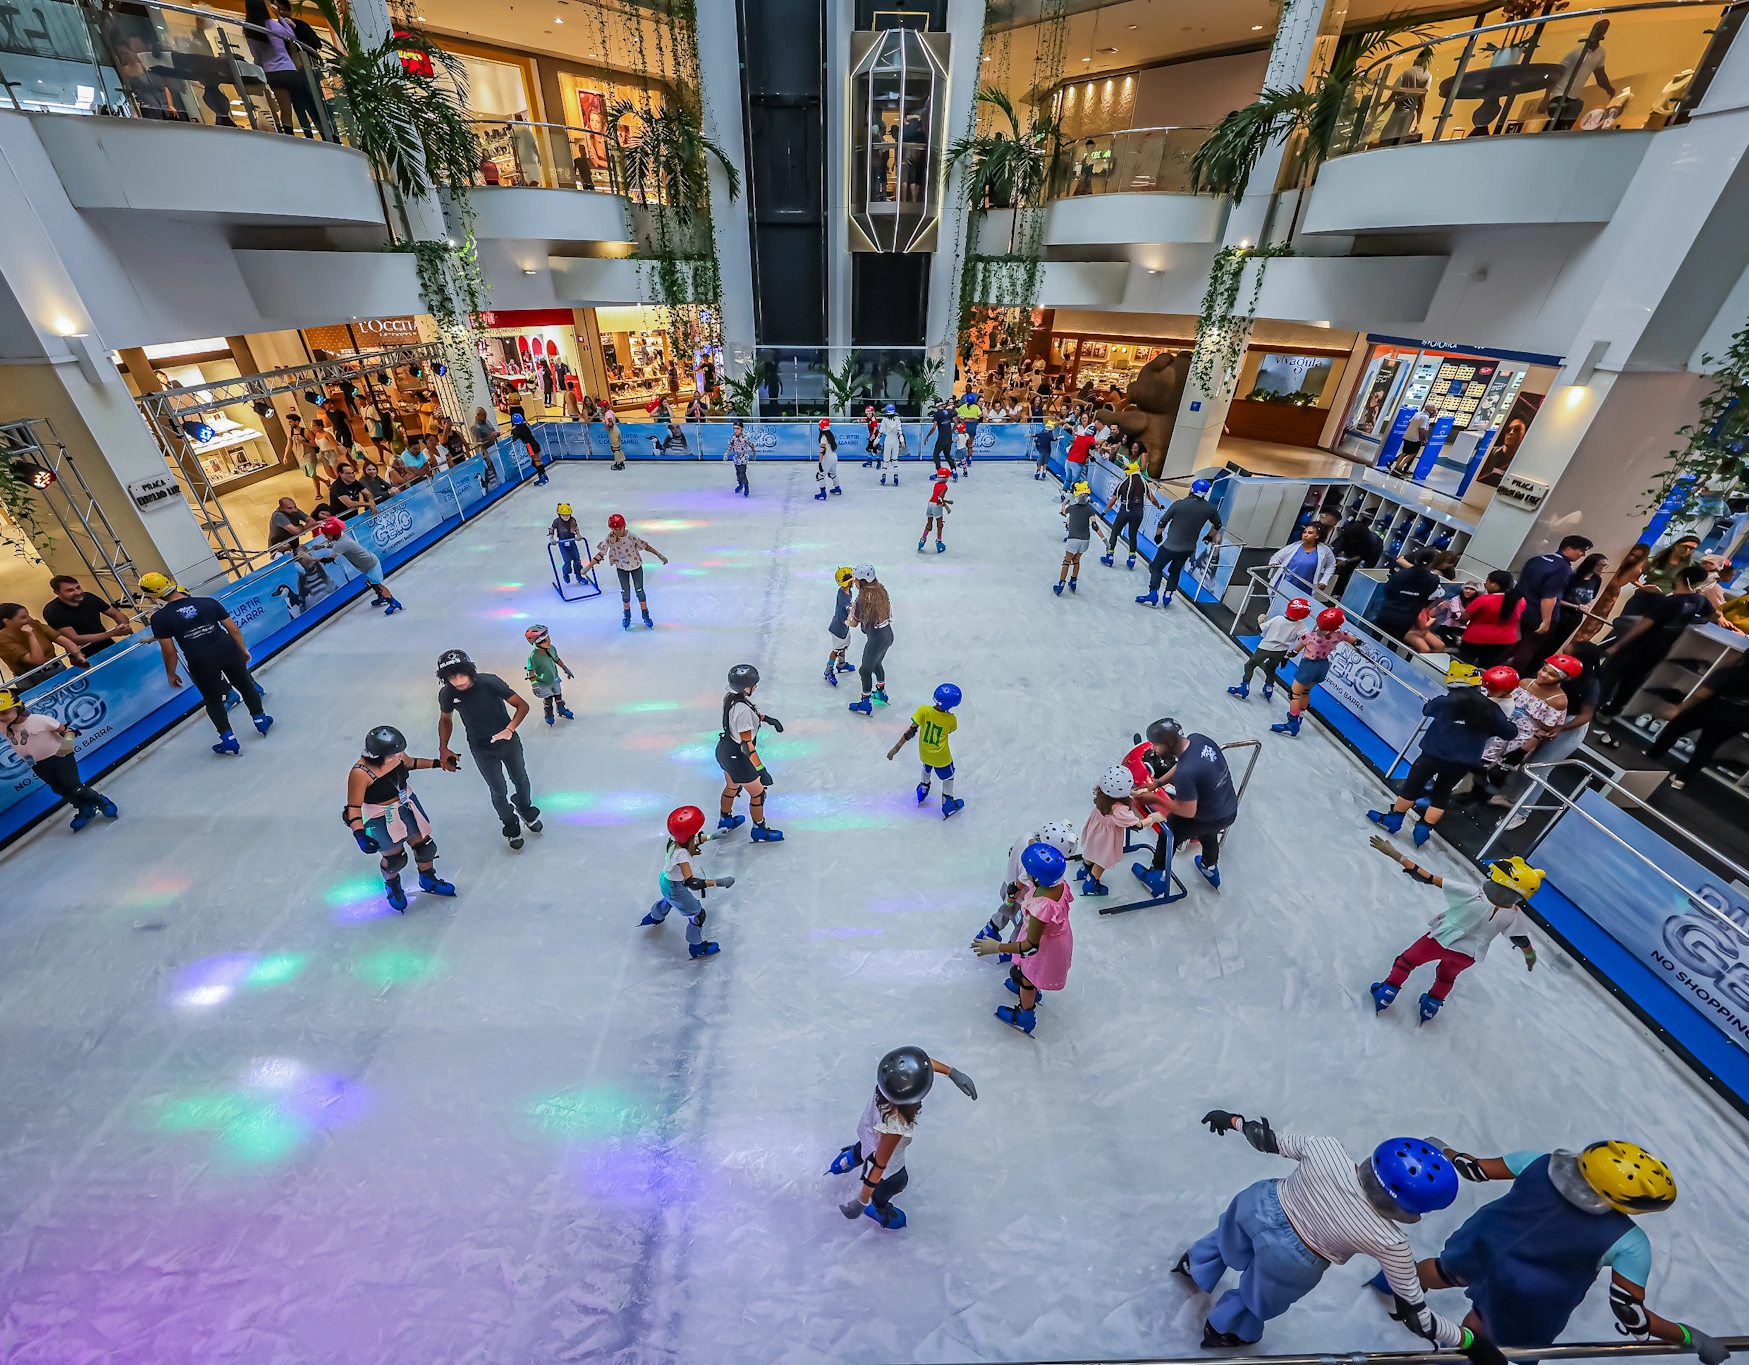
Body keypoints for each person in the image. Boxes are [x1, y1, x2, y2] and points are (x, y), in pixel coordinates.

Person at [1405, 1137, 1728, 1365]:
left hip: (1479, 1244)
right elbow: (1633, 1315)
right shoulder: (1631, 1242)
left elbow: (1473, 1168)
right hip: (1524, 1293)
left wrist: (1442, 1150)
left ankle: (1391, 1285)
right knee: (1479, 1336)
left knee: (1439, 1270)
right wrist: (1692, 1337)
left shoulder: (1538, 1161)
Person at [1184, 1115, 1479, 1354]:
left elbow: (1266, 1138)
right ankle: (1224, 1329)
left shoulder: (1327, 1150)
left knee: (1227, 1238)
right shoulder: (1391, 1242)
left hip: (1258, 1204)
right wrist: (1467, 1339)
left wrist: (1233, 1121)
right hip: (1293, 1259)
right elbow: (1418, 1317)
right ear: (1412, 1212)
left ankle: (1195, 1264)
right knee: (1257, 1298)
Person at [1366, 845, 1539, 1022]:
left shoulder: (1474, 893)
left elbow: (1429, 878)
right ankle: (1430, 1008)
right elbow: (1520, 940)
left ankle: (1387, 992)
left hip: (1441, 940)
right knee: (1446, 977)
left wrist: (1398, 856)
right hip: (1469, 954)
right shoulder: (1515, 914)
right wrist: (1530, 956)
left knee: (1406, 962)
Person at [827, 1046, 977, 1229]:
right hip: (886, 1160)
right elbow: (880, 1163)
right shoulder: (896, 1125)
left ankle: (850, 1158)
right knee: (897, 1181)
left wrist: (952, 1073)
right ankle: (876, 1206)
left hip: (868, 1133)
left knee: (864, 1146)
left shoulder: (887, 1083)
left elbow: (920, 1064)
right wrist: (863, 1199)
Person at [1367, 670, 1519, 846]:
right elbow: (1510, 732)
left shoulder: (1446, 701)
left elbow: (1427, 710)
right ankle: (1423, 830)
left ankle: (1394, 819)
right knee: (1442, 794)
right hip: (1462, 762)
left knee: (1412, 787)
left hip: (1433, 755)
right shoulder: (1492, 709)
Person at [141, 573, 270, 755]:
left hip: (200, 659)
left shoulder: (160, 618)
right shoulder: (208, 602)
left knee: (212, 699)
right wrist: (242, 648)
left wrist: (171, 673)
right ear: (172, 583)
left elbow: (169, 651)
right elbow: (232, 629)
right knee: (244, 684)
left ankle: (228, 739)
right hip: (228, 649)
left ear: (153, 594)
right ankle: (260, 719)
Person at [434, 648, 541, 850]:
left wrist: (509, 730)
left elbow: (522, 705)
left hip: (508, 742)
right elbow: (445, 719)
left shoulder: (489, 682)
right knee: (498, 790)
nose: (457, 681)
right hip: (481, 747)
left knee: (520, 778)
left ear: (469, 670)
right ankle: (510, 825)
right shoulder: (448, 694)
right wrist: (443, 748)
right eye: (451, 677)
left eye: (460, 674)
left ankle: (525, 808)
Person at [344, 725, 456, 913]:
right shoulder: (360, 773)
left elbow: (410, 762)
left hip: (406, 804)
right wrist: (360, 834)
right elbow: (353, 807)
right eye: (392, 754)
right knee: (394, 859)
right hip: (380, 815)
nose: (397, 757)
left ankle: (428, 878)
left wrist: (439, 763)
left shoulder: (396, 755)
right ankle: (392, 885)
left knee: (425, 847)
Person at [969, 841, 1072, 1034]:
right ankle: (1031, 990)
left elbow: (1030, 946)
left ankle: (1025, 1015)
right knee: (1025, 974)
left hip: (1044, 947)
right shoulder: (1059, 883)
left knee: (1024, 976)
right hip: (1055, 938)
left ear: (1038, 878)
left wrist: (997, 947)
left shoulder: (1041, 908)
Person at [1596, 565, 1716, 722]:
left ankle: (1592, 707)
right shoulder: (1700, 600)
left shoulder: (1669, 602)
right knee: (1631, 682)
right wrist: (1691, 620)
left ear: (1680, 576)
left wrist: (1617, 646)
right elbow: (1713, 616)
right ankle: (1609, 713)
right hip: (1660, 650)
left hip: (1638, 646)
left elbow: (1643, 627)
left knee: (1610, 675)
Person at [1131, 718, 1238, 893]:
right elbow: (1182, 764)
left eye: (1156, 745)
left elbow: (1188, 811)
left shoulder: (1186, 774)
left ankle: (1157, 878)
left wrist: (1155, 799)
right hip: (1227, 809)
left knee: (1169, 833)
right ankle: (1209, 867)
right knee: (1208, 830)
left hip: (1205, 813)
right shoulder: (1198, 740)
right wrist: (1157, 783)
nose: (1152, 749)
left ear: (1169, 743)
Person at [0, 689, 116, 830]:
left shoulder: (40, 720)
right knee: (59, 789)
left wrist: (67, 745)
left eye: (4, 712)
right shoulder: (3, 725)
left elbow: (67, 731)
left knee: (74, 787)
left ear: (18, 707)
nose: (1, 717)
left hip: (60, 757)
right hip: (37, 763)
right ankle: (85, 807)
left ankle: (101, 801)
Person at [641, 804, 735, 958]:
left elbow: (692, 840)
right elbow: (692, 882)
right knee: (697, 916)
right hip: (675, 888)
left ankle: (655, 915)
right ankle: (697, 947)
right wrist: (718, 882)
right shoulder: (682, 855)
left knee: (668, 899)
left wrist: (712, 836)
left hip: (665, 880)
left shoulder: (673, 841)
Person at [1648, 652, 1749, 788]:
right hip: (1738, 718)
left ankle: (1650, 757)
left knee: (1676, 727)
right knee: (1708, 746)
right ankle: (1681, 780)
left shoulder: (1729, 672)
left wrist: (1679, 709)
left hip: (1711, 709)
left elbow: (1702, 694)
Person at [714, 663, 784, 842]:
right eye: (754, 684)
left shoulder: (731, 698)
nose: (756, 686)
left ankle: (725, 819)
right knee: (758, 793)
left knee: (732, 786)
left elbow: (742, 718)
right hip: (739, 757)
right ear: (746, 687)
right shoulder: (743, 710)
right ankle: (759, 829)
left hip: (725, 750)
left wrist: (766, 719)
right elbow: (747, 745)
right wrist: (761, 770)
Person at [1078, 763, 1167, 897]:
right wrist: (1152, 818)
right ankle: (1091, 883)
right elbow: (1136, 825)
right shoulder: (1119, 810)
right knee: (1102, 860)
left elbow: (1113, 792)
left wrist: (1132, 793)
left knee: (1092, 850)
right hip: (1106, 837)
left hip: (1096, 828)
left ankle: (1083, 870)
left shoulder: (1102, 792)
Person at [1509, 534, 1595, 669]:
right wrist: (1546, 621)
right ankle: (1510, 675)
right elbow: (1549, 597)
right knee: (1528, 648)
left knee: (1515, 642)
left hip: (1521, 608)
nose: (1583, 555)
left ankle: (1491, 666)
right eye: (1581, 550)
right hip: (1538, 614)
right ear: (1569, 549)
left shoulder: (1536, 560)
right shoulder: (1563, 568)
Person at [1271, 607, 1358, 739]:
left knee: (1295, 694)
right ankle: (1300, 717)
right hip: (1323, 665)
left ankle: (1292, 723)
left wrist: (1286, 657)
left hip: (1308, 666)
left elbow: (1295, 651)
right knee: (1306, 691)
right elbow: (1354, 640)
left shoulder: (1309, 637)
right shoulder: (1339, 635)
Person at [1138, 478, 1222, 609]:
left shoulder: (1179, 504)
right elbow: (1217, 524)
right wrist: (1209, 537)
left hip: (1170, 546)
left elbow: (1162, 523)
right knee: (1175, 570)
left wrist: (1158, 535)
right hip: (1188, 548)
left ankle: (1153, 593)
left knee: (1156, 567)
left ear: (1191, 489)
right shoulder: (1209, 509)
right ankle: (1168, 595)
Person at [890, 682, 963, 819]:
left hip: (924, 753)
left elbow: (910, 731)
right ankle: (947, 803)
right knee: (948, 777)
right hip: (941, 757)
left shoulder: (923, 710)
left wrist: (896, 748)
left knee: (926, 766)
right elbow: (950, 730)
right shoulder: (951, 719)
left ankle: (923, 788)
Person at [589, 513, 669, 631]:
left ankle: (645, 614)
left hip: (635, 566)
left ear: (624, 526)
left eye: (619, 528)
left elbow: (644, 545)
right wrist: (589, 566)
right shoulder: (610, 538)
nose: (617, 531)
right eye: (615, 529)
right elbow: (602, 553)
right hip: (621, 568)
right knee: (625, 592)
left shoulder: (630, 536)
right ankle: (627, 615)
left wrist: (658, 554)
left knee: (639, 591)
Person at [309, 517, 403, 615]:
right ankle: (382, 597)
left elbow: (329, 559)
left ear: (334, 534)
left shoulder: (341, 543)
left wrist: (311, 559)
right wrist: (323, 546)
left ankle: (394, 602)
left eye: (326, 535)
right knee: (371, 583)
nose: (325, 538)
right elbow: (336, 546)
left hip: (370, 565)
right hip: (366, 564)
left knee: (377, 585)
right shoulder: (341, 537)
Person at [1229, 598, 1311, 702]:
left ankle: (1244, 686)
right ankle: (1269, 687)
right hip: (1281, 651)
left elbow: (1259, 629)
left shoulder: (1278, 619)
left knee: (1250, 665)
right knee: (1271, 669)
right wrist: (1294, 652)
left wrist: (1260, 621)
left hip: (1265, 647)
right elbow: (1305, 640)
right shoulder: (1301, 626)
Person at [42, 576, 133, 662]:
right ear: (57, 593)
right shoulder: (53, 611)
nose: (77, 592)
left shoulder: (89, 597)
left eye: (78, 587)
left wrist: (123, 625)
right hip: (82, 654)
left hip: (107, 644)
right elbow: (75, 639)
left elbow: (116, 614)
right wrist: (112, 633)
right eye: (70, 590)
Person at [1573, 543, 1650, 644]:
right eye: (1632, 554)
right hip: (1597, 589)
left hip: (1608, 595)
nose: (1632, 558)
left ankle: (1576, 644)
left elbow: (1616, 583)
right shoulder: (1614, 560)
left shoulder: (1635, 569)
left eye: (1636, 557)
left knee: (1592, 624)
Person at [1373, 548, 1448, 643]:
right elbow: (1428, 599)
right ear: (1433, 563)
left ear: (1416, 559)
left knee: (1374, 640)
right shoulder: (1433, 579)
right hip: (1407, 618)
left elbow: (1387, 590)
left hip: (1388, 613)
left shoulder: (1400, 574)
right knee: (1394, 644)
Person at [846, 564, 893, 717]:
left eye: (856, 579)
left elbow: (854, 622)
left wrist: (849, 617)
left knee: (865, 670)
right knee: (876, 664)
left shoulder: (862, 599)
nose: (854, 582)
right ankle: (880, 693)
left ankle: (865, 703)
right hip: (888, 635)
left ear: (863, 581)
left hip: (876, 639)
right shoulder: (881, 590)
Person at [1099, 460, 1161, 569]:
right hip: (1138, 513)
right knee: (1133, 535)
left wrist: (1104, 512)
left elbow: (1113, 500)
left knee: (1115, 532)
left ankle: (1109, 556)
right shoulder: (1143, 483)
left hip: (1125, 512)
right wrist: (1159, 506)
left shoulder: (1124, 483)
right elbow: (1152, 498)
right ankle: (1132, 559)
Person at [1549, 551, 1608, 648]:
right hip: (1560, 613)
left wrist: (1587, 606)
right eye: (1600, 565)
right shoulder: (1572, 576)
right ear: (1591, 564)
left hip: (1575, 618)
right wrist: (1576, 606)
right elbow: (1556, 598)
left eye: (1605, 566)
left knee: (1556, 645)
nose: (1602, 568)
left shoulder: (1597, 580)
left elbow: (1591, 597)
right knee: (1546, 641)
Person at [524, 624, 575, 726]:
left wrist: (565, 669)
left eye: (548, 638)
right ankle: (549, 714)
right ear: (537, 643)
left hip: (554, 678)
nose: (548, 642)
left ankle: (561, 709)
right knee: (548, 699)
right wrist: (534, 684)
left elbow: (556, 658)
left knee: (558, 694)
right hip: (544, 682)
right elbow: (531, 670)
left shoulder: (552, 648)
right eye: (544, 641)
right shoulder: (533, 657)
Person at [1266, 523, 1335, 596]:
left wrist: (1324, 581)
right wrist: (1274, 562)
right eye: (1304, 532)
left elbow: (1331, 565)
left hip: (1305, 587)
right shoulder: (1294, 546)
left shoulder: (1325, 550)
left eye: (1310, 533)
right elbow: (1277, 556)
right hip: (1285, 583)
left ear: (1317, 536)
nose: (1305, 535)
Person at [1329, 514, 1384, 599]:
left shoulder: (1372, 541)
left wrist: (1346, 561)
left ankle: (1346, 595)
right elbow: (1337, 546)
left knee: (1358, 574)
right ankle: (1335, 591)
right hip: (1354, 551)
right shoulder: (1348, 532)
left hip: (1370, 554)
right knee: (1341, 570)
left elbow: (1363, 556)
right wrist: (1335, 557)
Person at [1056, 482, 1094, 596]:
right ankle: (1073, 581)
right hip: (1085, 540)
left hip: (1073, 538)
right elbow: (1094, 524)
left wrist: (1063, 506)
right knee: (1076, 560)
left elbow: (1064, 512)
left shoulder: (1072, 508)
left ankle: (1061, 584)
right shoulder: (1090, 509)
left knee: (1067, 561)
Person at [823, 565, 857, 687]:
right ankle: (828, 670)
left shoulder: (845, 591)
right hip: (838, 629)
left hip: (843, 628)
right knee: (836, 650)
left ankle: (841, 664)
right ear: (848, 582)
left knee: (844, 646)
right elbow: (850, 612)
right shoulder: (844, 599)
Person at [1390, 402, 1438, 476]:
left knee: (1404, 453)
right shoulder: (1425, 417)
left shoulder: (1418, 414)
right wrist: (1424, 440)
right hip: (1414, 438)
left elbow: (1408, 423)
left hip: (1407, 436)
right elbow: (1422, 430)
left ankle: (1396, 467)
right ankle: (1399, 467)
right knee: (1412, 454)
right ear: (1431, 410)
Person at [548, 502, 586, 584]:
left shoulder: (572, 520)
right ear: (560, 514)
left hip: (572, 543)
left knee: (577, 560)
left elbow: (576, 528)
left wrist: (579, 535)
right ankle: (566, 573)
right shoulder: (557, 522)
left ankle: (579, 575)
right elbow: (552, 529)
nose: (566, 517)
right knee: (567, 561)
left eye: (567, 515)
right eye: (564, 515)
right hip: (563, 544)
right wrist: (551, 539)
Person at [919, 469, 951, 555]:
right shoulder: (945, 487)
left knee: (929, 524)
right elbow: (939, 498)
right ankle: (939, 542)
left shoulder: (936, 484)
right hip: (937, 506)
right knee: (939, 525)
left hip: (930, 504)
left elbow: (935, 496)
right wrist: (945, 506)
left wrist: (945, 501)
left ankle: (922, 540)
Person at [725, 419, 755, 496]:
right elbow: (730, 446)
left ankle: (746, 488)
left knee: (742, 473)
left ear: (741, 429)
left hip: (743, 458)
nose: (736, 430)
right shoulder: (733, 437)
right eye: (734, 429)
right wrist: (726, 453)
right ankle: (740, 484)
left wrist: (754, 452)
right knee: (738, 473)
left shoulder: (745, 438)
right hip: (736, 458)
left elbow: (751, 445)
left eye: (737, 429)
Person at [878, 404, 906, 485]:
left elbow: (881, 432)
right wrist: (902, 441)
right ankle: (896, 476)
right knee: (895, 459)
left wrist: (875, 442)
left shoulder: (884, 420)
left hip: (888, 439)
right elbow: (900, 432)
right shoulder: (897, 419)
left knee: (886, 459)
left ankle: (883, 476)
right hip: (896, 440)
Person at [815, 419, 842, 499]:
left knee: (820, 475)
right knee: (833, 473)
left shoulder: (823, 438)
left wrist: (820, 462)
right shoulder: (830, 435)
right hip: (834, 457)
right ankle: (837, 488)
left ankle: (822, 493)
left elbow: (822, 451)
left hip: (827, 458)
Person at [602, 405, 625, 470]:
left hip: (613, 431)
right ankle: (621, 462)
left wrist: (605, 427)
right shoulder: (611, 411)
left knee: (615, 448)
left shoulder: (607, 413)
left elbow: (610, 422)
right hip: (616, 429)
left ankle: (618, 463)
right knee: (618, 447)